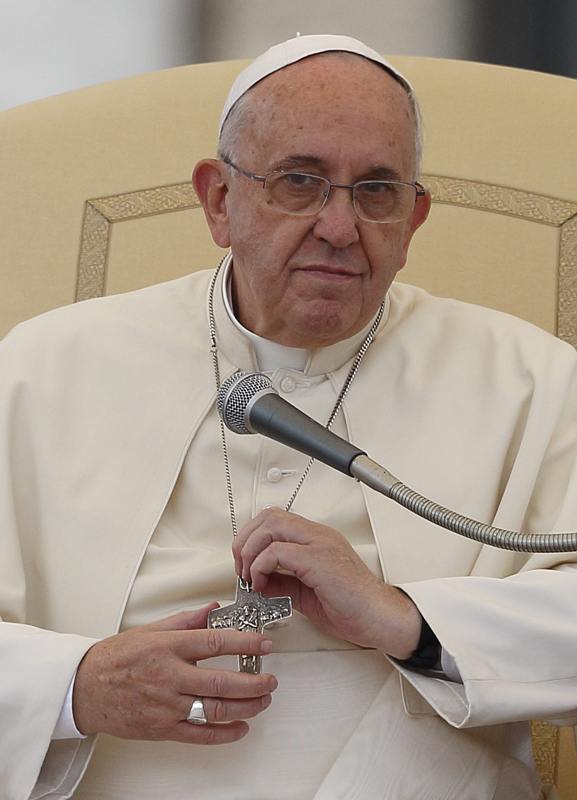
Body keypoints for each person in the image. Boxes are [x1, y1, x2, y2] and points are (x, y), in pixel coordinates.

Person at [1, 33, 577, 800]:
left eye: (376, 191)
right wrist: (74, 686)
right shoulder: (44, 367)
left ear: (413, 220)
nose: (339, 228)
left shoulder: (530, 380)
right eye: (298, 182)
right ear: (218, 201)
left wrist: (408, 619)